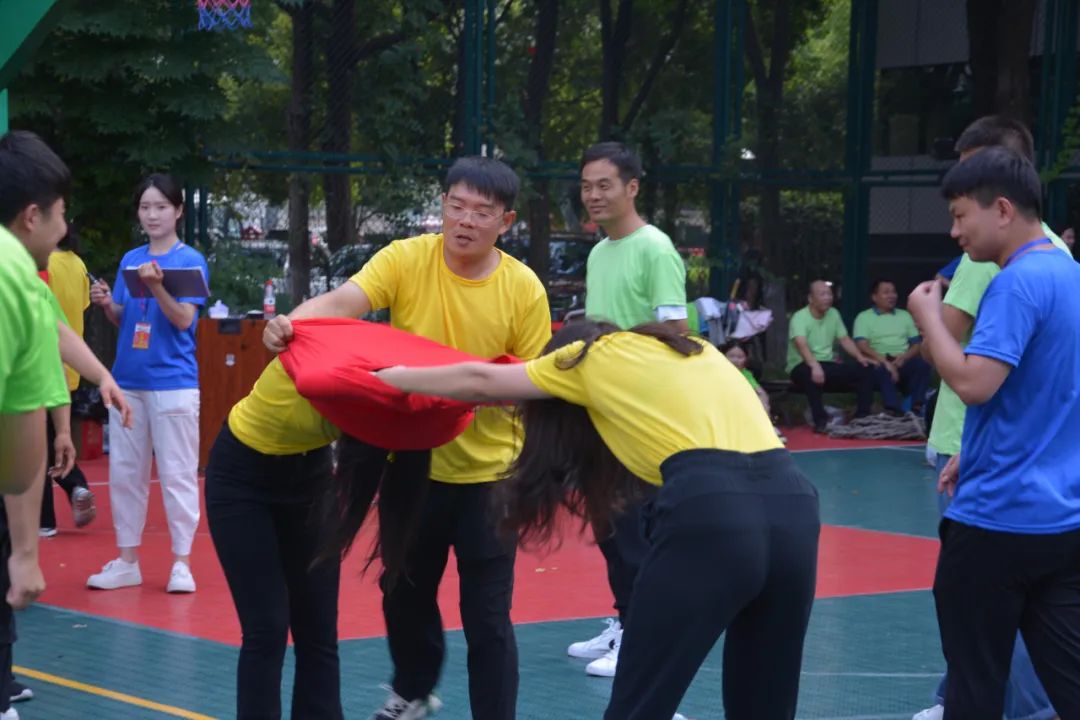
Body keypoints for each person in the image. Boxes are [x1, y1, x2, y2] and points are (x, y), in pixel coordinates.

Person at [374, 319, 821, 720]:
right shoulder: (692, 349)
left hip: (712, 509)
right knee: (764, 704)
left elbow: (482, 381)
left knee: (639, 703)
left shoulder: (588, 356)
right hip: (796, 506)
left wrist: (389, 379)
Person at [263, 156, 551, 720]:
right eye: (456, 206)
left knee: (488, 617)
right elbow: (344, 302)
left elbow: (531, 384)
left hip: (491, 476)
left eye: (482, 212)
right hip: (413, 466)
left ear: (506, 221)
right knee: (402, 592)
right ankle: (413, 691)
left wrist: (457, 391)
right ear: (442, 205)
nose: (465, 220)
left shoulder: (524, 290)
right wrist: (295, 323)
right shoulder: (407, 258)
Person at [909, 147, 1080, 719]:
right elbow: (1049, 391)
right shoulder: (1070, 274)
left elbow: (974, 383)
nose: (954, 232)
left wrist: (929, 320)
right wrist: (980, 449)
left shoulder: (1015, 283)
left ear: (1002, 210)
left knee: (974, 687)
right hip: (1063, 521)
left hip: (997, 523)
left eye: (961, 215)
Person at [569, 141, 687, 678]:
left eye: (604, 185)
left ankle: (641, 638)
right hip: (602, 410)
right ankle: (624, 620)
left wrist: (619, 350)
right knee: (610, 527)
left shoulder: (655, 249)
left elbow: (677, 334)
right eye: (586, 186)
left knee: (636, 530)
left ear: (632, 187)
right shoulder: (600, 252)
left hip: (644, 416)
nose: (593, 195)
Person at [87, 173, 209, 594]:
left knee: (177, 474)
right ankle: (127, 561)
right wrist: (108, 304)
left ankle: (182, 564)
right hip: (127, 382)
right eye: (145, 207)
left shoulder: (190, 260)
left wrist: (156, 286)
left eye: (161, 207)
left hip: (174, 382)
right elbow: (125, 319)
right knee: (125, 473)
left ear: (178, 211)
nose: (152, 215)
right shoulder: (130, 259)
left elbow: (183, 319)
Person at [39, 228, 97, 536]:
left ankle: (45, 519)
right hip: (71, 365)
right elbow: (81, 308)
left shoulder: (41, 264)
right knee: (52, 439)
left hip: (43, 365)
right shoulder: (78, 264)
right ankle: (76, 485)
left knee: (37, 446)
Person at [786, 280, 875, 432]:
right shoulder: (799, 317)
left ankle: (862, 418)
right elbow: (801, 344)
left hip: (827, 365)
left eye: (829, 294)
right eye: (822, 294)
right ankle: (820, 422)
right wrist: (814, 365)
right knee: (810, 374)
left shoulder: (834, 314)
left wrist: (860, 357)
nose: (827, 298)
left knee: (865, 369)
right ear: (811, 298)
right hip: (801, 365)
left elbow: (844, 339)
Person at [852, 279, 931, 415]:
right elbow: (861, 345)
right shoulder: (864, 317)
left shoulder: (905, 315)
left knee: (922, 365)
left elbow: (917, 344)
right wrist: (885, 362)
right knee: (881, 370)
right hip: (877, 360)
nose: (892, 296)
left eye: (893, 292)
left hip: (901, 360)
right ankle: (893, 409)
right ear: (874, 297)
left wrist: (904, 358)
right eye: (886, 292)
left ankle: (917, 405)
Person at [724, 342, 786, 443]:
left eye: (740, 357)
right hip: (725, 404)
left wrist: (764, 403)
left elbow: (759, 391)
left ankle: (768, 428)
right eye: (731, 356)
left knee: (762, 399)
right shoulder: (717, 372)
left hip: (744, 404)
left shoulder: (746, 373)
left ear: (746, 359)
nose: (735, 360)